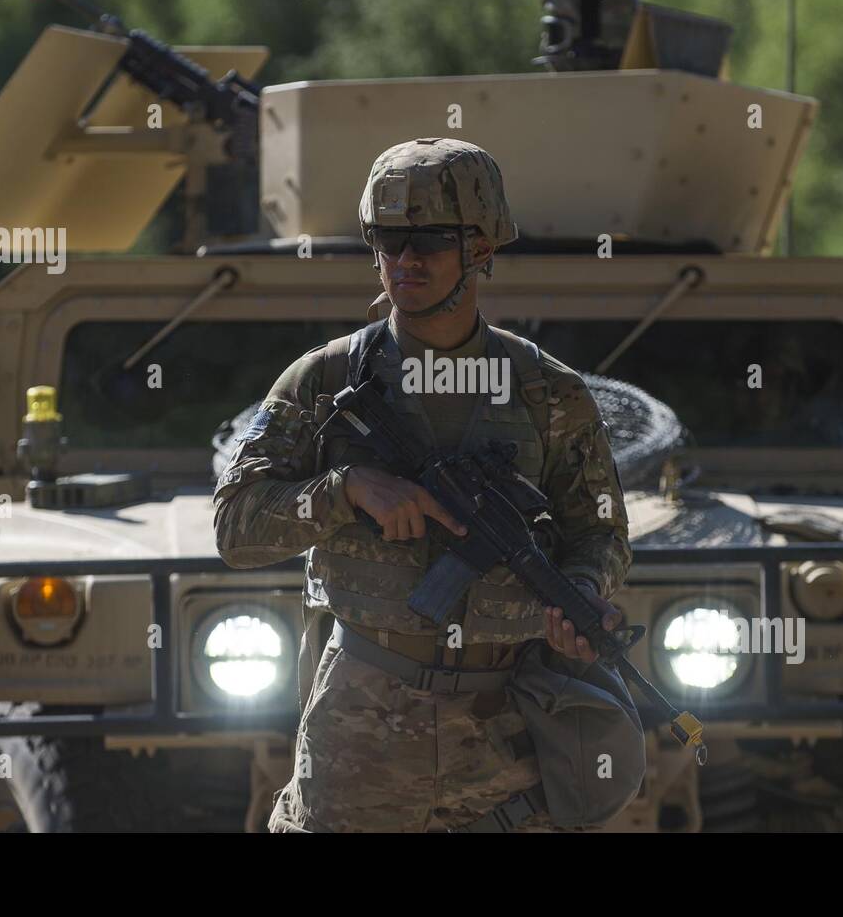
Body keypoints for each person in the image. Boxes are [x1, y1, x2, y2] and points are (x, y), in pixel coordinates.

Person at [214, 137, 631, 832]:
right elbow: (235, 528)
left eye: (431, 241)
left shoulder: (548, 393)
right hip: (363, 718)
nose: (405, 261)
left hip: (509, 725)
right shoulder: (323, 381)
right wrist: (345, 490)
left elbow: (600, 532)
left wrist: (583, 594)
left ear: (483, 248)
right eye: (388, 239)